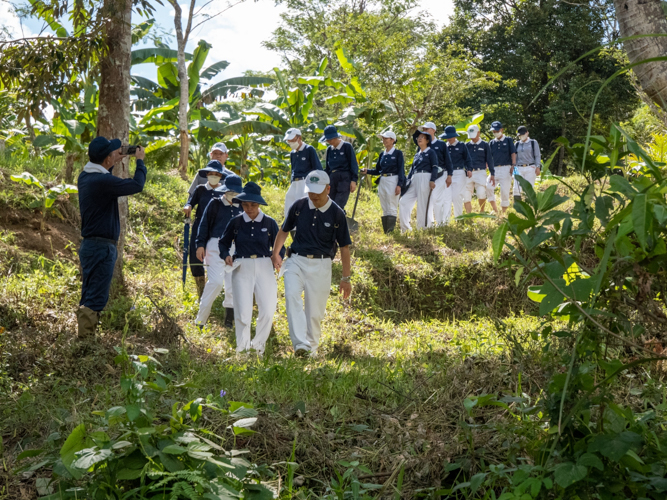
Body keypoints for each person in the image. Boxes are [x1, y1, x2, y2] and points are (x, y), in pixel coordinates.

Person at [271, 170, 352, 357]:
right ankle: (300, 345)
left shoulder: (337, 214)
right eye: (310, 191)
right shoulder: (299, 206)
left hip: (321, 265)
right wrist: (276, 253)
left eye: (318, 191)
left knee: (314, 313)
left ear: (328, 189)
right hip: (296, 260)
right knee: (291, 295)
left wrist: (345, 278)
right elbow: (284, 230)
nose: (313, 195)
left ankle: (311, 352)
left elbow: (344, 248)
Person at [76, 137, 147, 338]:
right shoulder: (102, 181)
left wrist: (113, 160)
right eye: (112, 153)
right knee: (96, 296)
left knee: (89, 292)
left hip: (91, 246)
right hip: (101, 248)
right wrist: (139, 161)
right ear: (106, 158)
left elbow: (105, 175)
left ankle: (85, 339)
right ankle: (86, 343)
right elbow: (136, 185)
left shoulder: (86, 176)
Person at [219, 182, 284, 354]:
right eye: (245, 204)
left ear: (259, 204)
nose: (249, 208)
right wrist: (225, 255)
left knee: (268, 309)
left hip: (264, 265)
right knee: (242, 311)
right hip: (242, 266)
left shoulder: (269, 223)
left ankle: (258, 347)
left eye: (253, 205)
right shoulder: (236, 222)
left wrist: (278, 257)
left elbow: (280, 246)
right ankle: (242, 349)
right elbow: (223, 243)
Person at [194, 174, 243, 329]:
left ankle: (229, 321)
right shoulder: (215, 204)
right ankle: (200, 320)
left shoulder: (242, 206)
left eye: (236, 192)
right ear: (224, 190)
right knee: (215, 282)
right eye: (230, 191)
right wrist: (200, 244)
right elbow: (204, 225)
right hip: (215, 246)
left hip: (235, 248)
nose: (233, 195)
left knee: (232, 285)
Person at [183, 160, 226, 298]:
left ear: (220, 175)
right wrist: (188, 206)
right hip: (199, 228)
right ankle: (201, 290)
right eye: (211, 173)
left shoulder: (224, 192)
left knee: (216, 258)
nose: (213, 176)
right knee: (195, 258)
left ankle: (215, 288)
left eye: (216, 174)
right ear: (207, 174)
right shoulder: (200, 189)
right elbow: (190, 202)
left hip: (217, 230)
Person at [360, 131, 405, 233]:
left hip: (393, 179)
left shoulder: (398, 153)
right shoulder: (382, 154)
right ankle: (387, 231)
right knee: (384, 204)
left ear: (392, 140)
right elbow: (378, 170)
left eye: (386, 138)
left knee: (392, 204)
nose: (384, 140)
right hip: (383, 180)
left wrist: (399, 184)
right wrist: (367, 171)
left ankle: (391, 230)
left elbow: (401, 170)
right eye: (383, 138)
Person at [398, 129, 439, 232]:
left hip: (425, 177)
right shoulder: (417, 154)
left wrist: (432, 180)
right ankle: (406, 229)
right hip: (414, 178)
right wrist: (407, 181)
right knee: (404, 201)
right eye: (418, 137)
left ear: (427, 141)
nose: (419, 139)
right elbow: (412, 169)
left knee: (423, 204)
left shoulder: (431, 152)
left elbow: (435, 167)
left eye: (422, 137)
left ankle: (423, 229)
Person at [417, 122, 454, 225]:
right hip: (426, 176)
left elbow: (448, 161)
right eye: (423, 129)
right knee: (428, 201)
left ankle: (440, 224)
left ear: (433, 130)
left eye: (427, 129)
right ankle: (429, 223)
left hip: (441, 175)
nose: (424, 131)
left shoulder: (441, 144)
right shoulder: (421, 145)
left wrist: (449, 175)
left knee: (438, 200)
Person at [283, 128, 323, 219]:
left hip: (306, 182)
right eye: (288, 141)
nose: (290, 143)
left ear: (299, 138)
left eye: (292, 140)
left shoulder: (309, 149)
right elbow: (293, 169)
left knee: (304, 205)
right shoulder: (292, 153)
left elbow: (317, 167)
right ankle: (291, 227)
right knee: (289, 201)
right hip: (295, 182)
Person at [321, 125, 359, 210]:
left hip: (344, 178)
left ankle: (339, 221)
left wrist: (354, 180)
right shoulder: (329, 150)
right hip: (332, 178)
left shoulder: (346, 146)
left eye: (331, 139)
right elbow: (327, 168)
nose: (329, 141)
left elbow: (353, 163)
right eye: (328, 140)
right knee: (330, 203)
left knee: (339, 204)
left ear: (336, 137)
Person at [441, 125, 472, 220]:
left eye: (450, 137)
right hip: (446, 174)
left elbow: (468, 159)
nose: (448, 139)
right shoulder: (444, 147)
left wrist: (469, 169)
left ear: (454, 136)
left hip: (459, 173)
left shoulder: (462, 146)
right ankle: (445, 220)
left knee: (457, 196)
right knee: (446, 198)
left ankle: (459, 218)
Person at [486, 121, 516, 215]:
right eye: (493, 131)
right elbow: (488, 156)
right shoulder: (491, 143)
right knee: (488, 186)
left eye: (497, 130)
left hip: (506, 168)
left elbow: (513, 153)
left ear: (502, 130)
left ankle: (503, 213)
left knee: (504, 191)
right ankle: (495, 210)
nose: (495, 132)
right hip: (494, 169)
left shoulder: (508, 140)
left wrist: (513, 165)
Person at [464, 125, 495, 213]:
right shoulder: (466, 145)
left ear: (478, 133)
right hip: (468, 173)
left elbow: (489, 160)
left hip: (480, 172)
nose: (472, 138)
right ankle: (468, 214)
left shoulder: (485, 145)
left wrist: (492, 173)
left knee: (481, 193)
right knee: (466, 195)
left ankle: (482, 211)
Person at [513, 125, 541, 201]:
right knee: (516, 188)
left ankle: (529, 206)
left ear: (527, 133)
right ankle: (518, 205)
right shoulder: (517, 144)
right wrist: (513, 167)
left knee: (529, 188)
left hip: (530, 167)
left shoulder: (533, 142)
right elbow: (515, 156)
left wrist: (538, 167)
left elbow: (537, 155)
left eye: (523, 134)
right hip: (519, 168)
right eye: (520, 135)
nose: (521, 136)